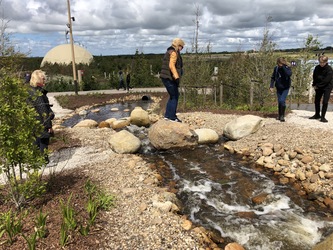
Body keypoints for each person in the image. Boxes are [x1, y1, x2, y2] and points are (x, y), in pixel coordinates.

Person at [28, 69, 54, 164]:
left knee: (35, 142)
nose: (45, 80)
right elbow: (43, 110)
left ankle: (35, 161)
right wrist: (48, 125)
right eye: (43, 78)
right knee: (43, 142)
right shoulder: (38, 93)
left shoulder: (30, 91)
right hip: (41, 122)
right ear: (38, 79)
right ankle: (44, 162)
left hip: (33, 121)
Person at [160, 38, 185, 122]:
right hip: (169, 78)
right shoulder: (173, 52)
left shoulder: (170, 51)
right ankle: (172, 117)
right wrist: (176, 76)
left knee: (172, 96)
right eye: (182, 46)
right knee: (175, 96)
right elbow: (171, 65)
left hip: (166, 77)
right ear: (179, 45)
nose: (182, 49)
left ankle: (168, 115)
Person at [309, 55, 333, 123]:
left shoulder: (329, 69)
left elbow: (327, 80)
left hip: (327, 87)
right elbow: (315, 76)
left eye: (322, 62)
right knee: (317, 100)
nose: (321, 64)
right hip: (318, 86)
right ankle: (317, 114)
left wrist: (318, 86)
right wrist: (314, 84)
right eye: (320, 62)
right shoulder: (317, 68)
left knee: (325, 102)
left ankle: (323, 117)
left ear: (326, 62)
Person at [270, 57, 292, 122]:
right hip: (278, 87)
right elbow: (273, 77)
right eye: (279, 64)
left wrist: (283, 67)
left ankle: (282, 116)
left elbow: (289, 74)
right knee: (280, 101)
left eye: (281, 64)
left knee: (282, 101)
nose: (280, 65)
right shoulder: (276, 68)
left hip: (286, 87)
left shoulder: (287, 68)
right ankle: (280, 115)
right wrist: (271, 86)